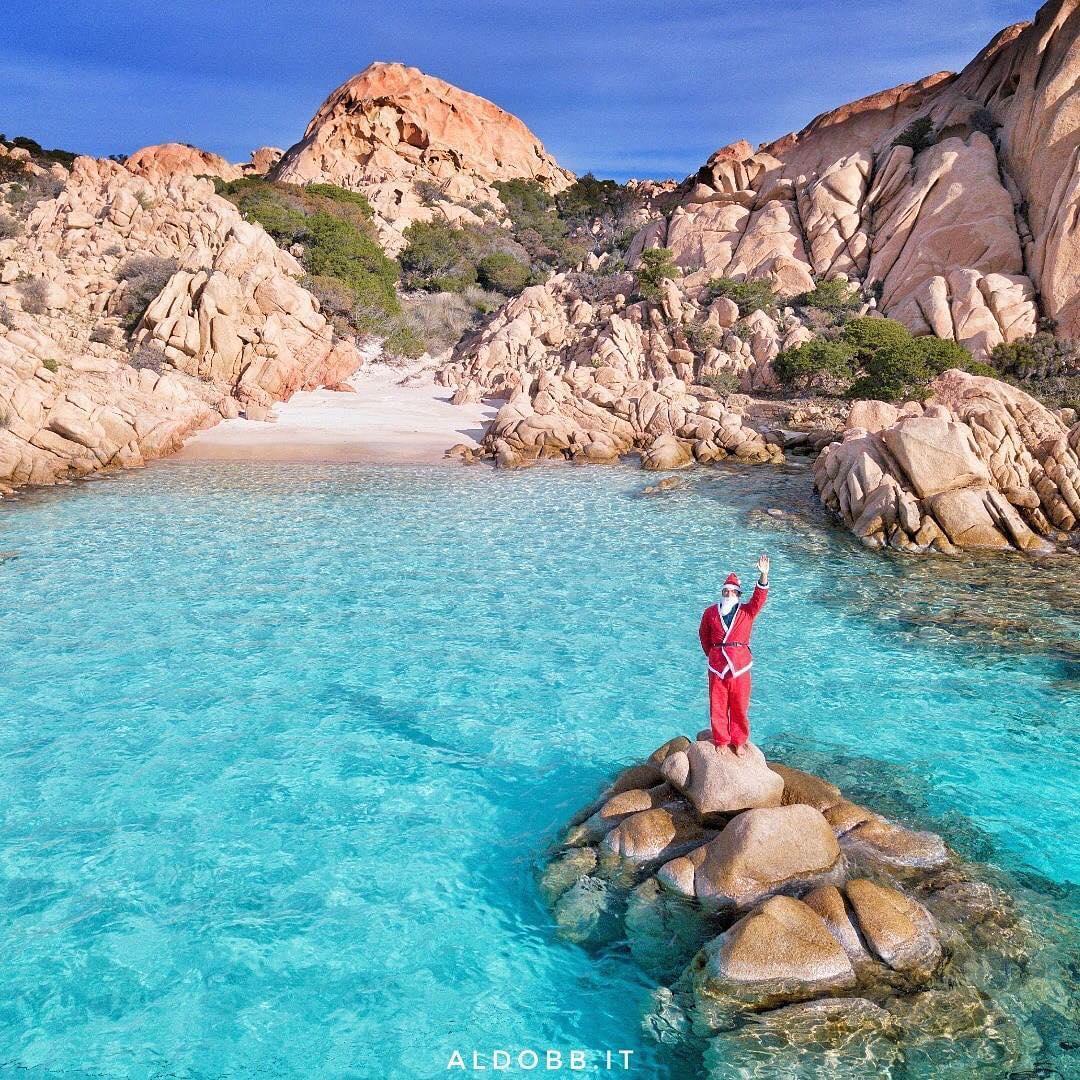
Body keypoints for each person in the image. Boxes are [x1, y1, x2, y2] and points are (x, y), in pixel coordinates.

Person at [698, 554, 770, 754]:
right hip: (717, 664)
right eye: (725, 591)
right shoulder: (710, 612)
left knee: (739, 703)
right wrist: (712, 654)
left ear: (738, 595)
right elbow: (704, 635)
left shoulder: (747, 611)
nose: (728, 594)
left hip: (740, 664)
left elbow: (759, 598)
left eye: (732, 592)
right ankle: (721, 740)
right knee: (718, 703)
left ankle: (738, 741)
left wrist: (763, 575)